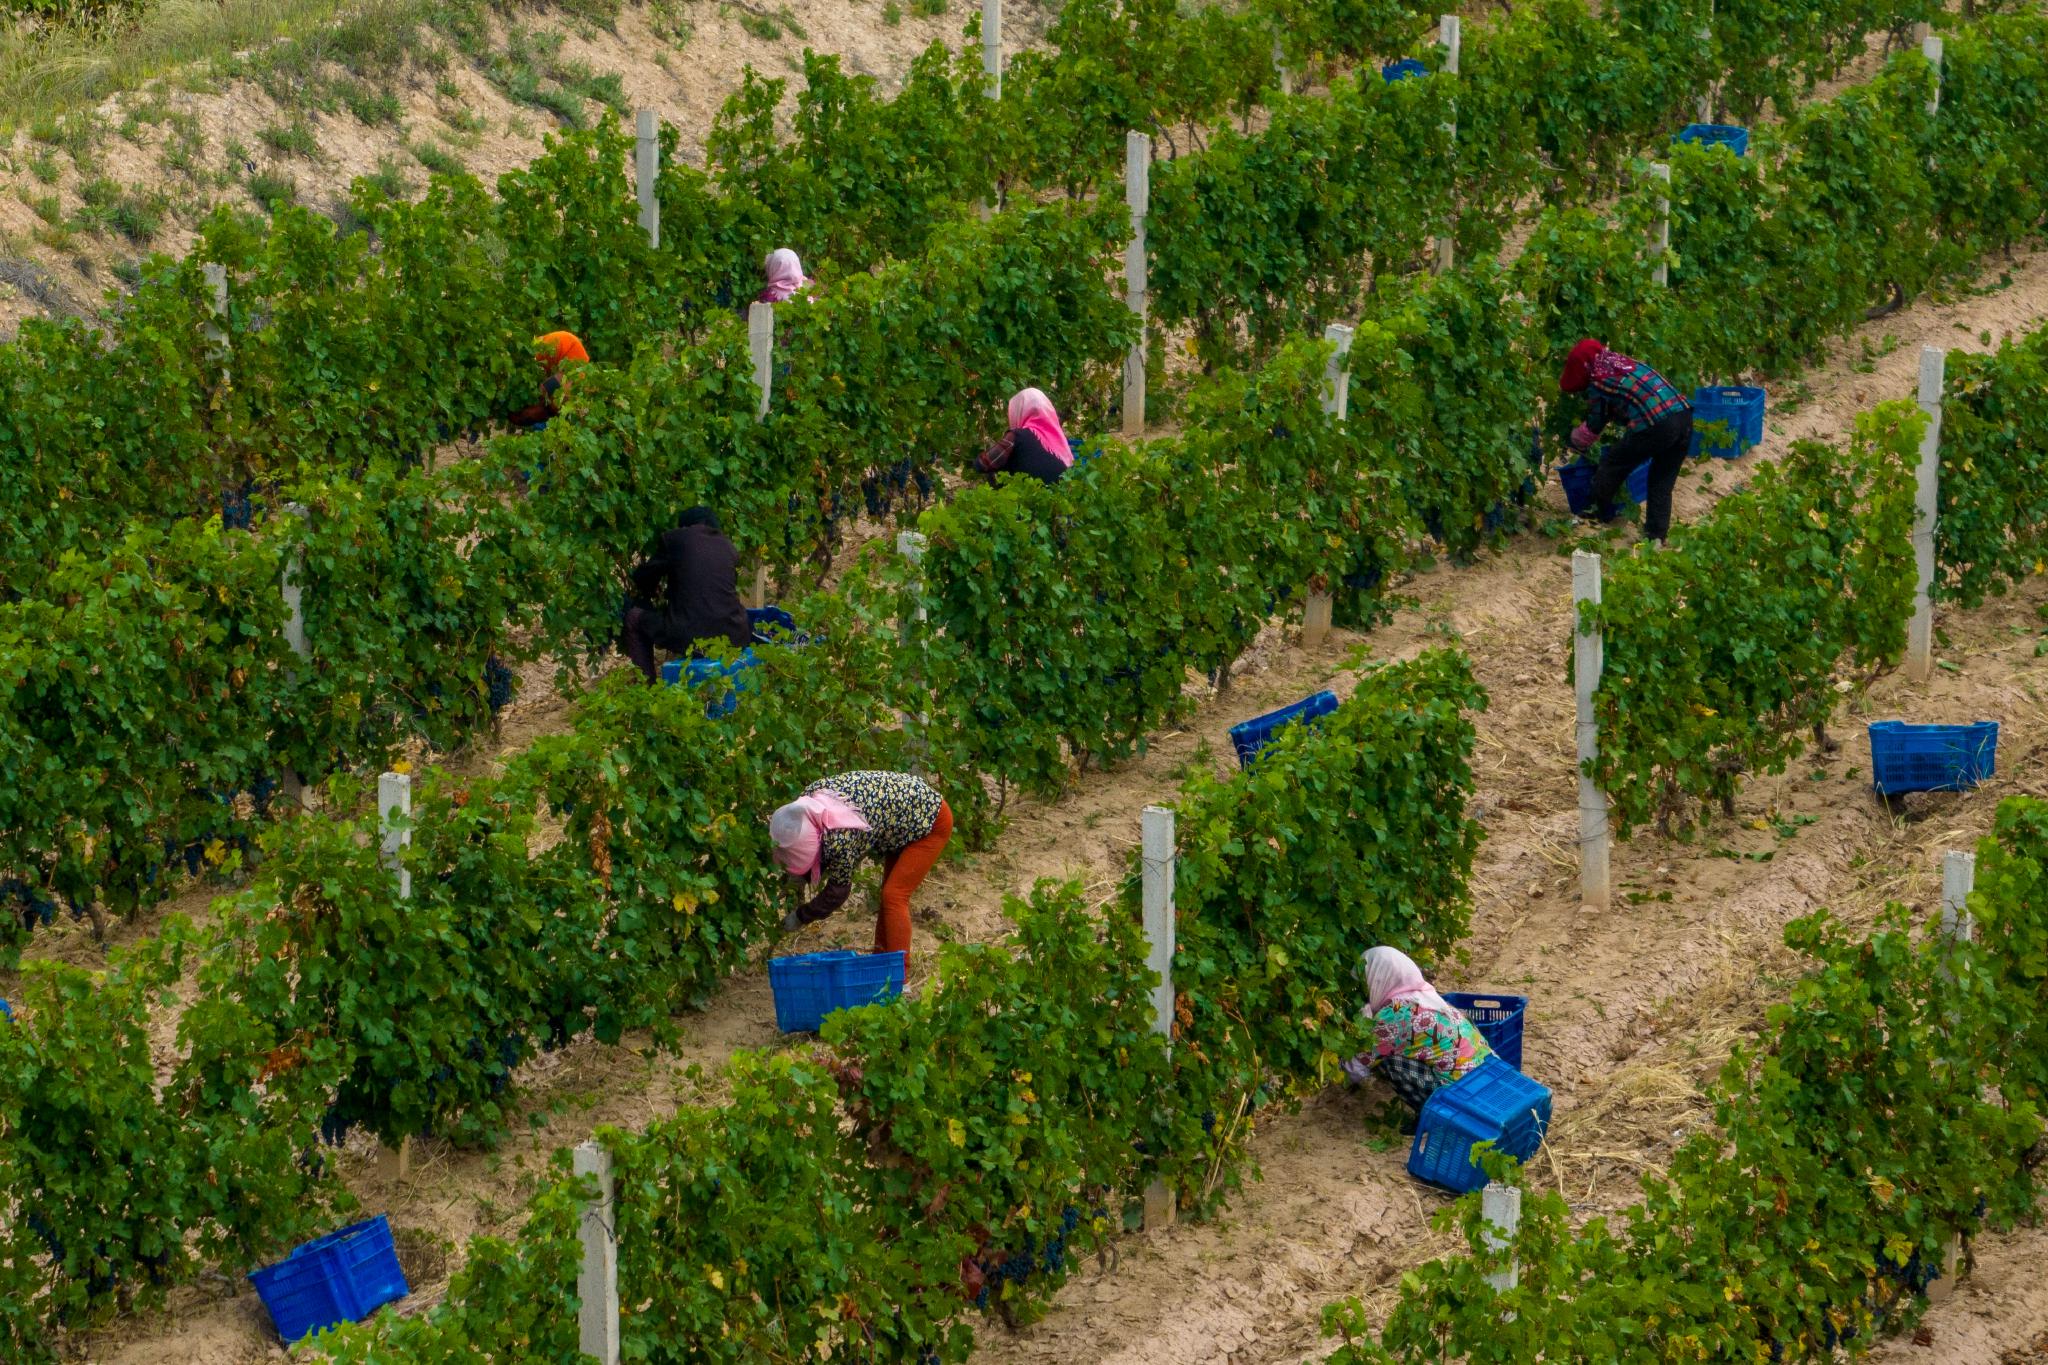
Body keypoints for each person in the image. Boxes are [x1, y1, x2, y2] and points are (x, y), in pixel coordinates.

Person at [771, 771, 953, 966]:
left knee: (894, 896)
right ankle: (882, 965)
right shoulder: (806, 805)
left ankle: (900, 980)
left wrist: (801, 916)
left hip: (931, 819)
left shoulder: (840, 836)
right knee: (889, 896)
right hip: (902, 820)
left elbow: (837, 892)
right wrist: (796, 880)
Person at [1343, 946, 1493, 1133]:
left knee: (1391, 1063)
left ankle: (1434, 1117)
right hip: (1489, 1078)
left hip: (1463, 1096)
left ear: (1377, 979)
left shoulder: (1393, 1014)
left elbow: (1356, 1067)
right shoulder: (1424, 997)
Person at [1559, 338, 1693, 543]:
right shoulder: (1621, 363)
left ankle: (1595, 514)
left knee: (1613, 463)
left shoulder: (1599, 379)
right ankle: (1656, 536)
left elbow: (1596, 421)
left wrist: (1577, 440)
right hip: (1683, 416)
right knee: (1661, 481)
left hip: (1657, 423)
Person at [619, 507, 751, 682]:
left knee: (633, 618)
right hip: (735, 636)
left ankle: (648, 689)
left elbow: (644, 578)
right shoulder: (728, 546)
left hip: (691, 637)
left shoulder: (676, 539)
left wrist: (644, 594)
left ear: (685, 525)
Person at [976, 387, 1074, 486]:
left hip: (1025, 497)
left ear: (1018, 411)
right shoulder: (1059, 440)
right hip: (1057, 497)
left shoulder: (1017, 436)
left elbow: (984, 464)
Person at [510, 331, 589, 429]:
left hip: (566, 349)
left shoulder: (575, 379)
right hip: (563, 348)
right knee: (550, 399)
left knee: (550, 399)